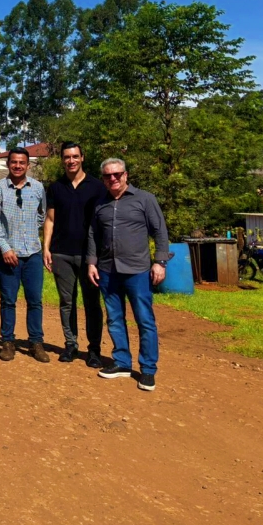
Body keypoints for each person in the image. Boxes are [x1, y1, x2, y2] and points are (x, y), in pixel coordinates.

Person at [87, 158, 170, 392]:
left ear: (126, 175)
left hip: (138, 271)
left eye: (117, 174)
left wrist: (160, 262)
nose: (112, 179)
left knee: (144, 320)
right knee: (114, 318)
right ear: (103, 178)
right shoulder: (100, 203)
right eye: (107, 176)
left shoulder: (145, 199)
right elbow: (93, 234)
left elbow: (160, 232)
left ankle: (148, 370)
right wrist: (92, 263)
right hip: (107, 270)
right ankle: (122, 362)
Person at [43, 142, 107, 367]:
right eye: (67, 157)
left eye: (75, 156)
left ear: (82, 157)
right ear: (62, 159)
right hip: (61, 253)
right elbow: (50, 219)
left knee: (92, 303)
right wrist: (46, 248)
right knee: (67, 302)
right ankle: (70, 344)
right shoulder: (55, 187)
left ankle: (94, 350)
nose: (71, 161)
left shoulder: (97, 187)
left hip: (90, 256)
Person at [0, 147, 49, 363]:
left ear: (28, 165)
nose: (18, 166)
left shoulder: (38, 188)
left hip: (32, 253)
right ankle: (8, 342)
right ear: (8, 163)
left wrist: (32, 232)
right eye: (14, 162)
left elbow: (42, 215)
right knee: (8, 300)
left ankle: (36, 342)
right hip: (8, 255)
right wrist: (4, 247)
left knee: (35, 300)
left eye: (22, 162)